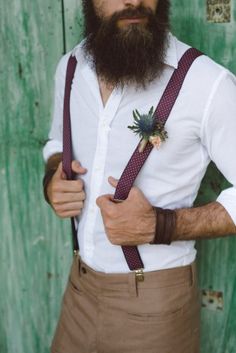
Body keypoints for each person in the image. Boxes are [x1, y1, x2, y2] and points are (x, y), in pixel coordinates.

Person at [42, 0, 236, 352]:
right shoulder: (70, 68)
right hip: (78, 291)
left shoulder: (208, 84)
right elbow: (57, 140)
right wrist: (54, 173)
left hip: (155, 304)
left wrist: (162, 225)